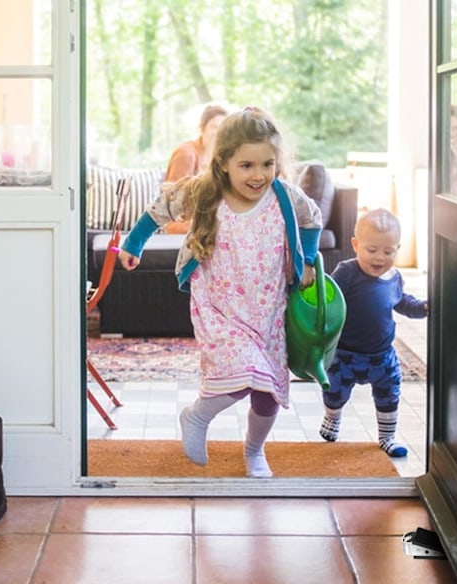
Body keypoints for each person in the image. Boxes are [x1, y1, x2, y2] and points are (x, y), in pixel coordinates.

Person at [118, 107, 322, 477]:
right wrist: (133, 245)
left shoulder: (285, 196)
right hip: (219, 307)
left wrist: (307, 260)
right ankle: (197, 417)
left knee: (268, 392)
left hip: (268, 310)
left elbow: (312, 219)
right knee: (243, 376)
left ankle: (254, 450)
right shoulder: (206, 192)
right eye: (246, 165)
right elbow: (160, 210)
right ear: (225, 162)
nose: (258, 175)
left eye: (267, 164)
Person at [319, 208, 428, 457]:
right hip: (345, 354)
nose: (380, 258)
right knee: (334, 393)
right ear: (356, 245)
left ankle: (387, 437)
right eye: (372, 250)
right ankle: (332, 417)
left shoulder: (394, 277)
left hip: (382, 356)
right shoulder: (346, 272)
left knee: (389, 395)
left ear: (396, 249)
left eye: (388, 252)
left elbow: (402, 302)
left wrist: (422, 308)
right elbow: (330, 300)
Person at [163, 102, 230, 234]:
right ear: (202, 128)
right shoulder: (187, 154)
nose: (218, 132)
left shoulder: (219, 157)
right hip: (181, 224)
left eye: (223, 128)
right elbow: (172, 203)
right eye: (214, 127)